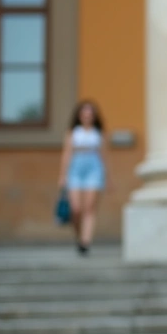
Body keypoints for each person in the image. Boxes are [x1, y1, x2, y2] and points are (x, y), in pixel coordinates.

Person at [57, 100, 108, 256]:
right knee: (76, 209)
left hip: (94, 169)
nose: (87, 116)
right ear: (79, 116)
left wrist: (107, 177)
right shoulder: (73, 132)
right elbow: (67, 154)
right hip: (75, 169)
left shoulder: (98, 133)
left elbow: (104, 155)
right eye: (84, 113)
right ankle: (79, 236)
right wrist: (62, 175)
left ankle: (86, 241)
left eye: (90, 113)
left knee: (90, 207)